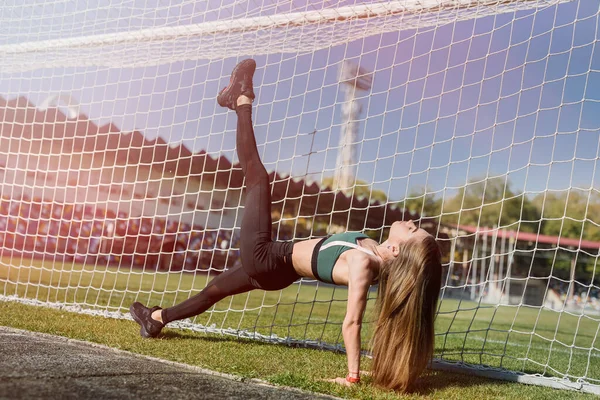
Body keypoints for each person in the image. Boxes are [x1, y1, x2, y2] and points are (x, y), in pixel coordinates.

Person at [130, 59, 442, 392]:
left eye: (412, 229)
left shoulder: (365, 263)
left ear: (396, 249)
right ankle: (155, 320)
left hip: (267, 257)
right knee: (213, 291)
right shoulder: (369, 247)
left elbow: (352, 322)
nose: (409, 221)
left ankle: (240, 100)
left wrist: (352, 376)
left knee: (258, 179)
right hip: (276, 270)